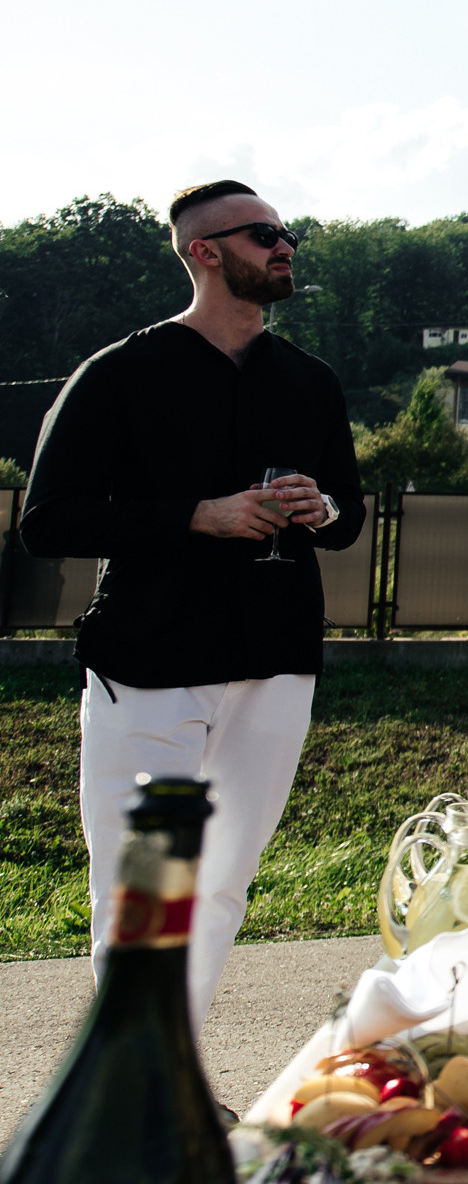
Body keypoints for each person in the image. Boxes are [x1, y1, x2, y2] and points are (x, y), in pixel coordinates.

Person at [20, 179, 364, 1029]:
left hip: (277, 659)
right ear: (203, 252)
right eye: (262, 236)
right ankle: (128, 1079)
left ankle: (173, 1066)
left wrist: (321, 509)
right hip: (150, 661)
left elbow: (350, 515)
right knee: (146, 885)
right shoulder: (118, 373)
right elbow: (46, 521)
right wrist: (196, 516)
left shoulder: (311, 380)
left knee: (221, 883)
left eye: (286, 233)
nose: (284, 246)